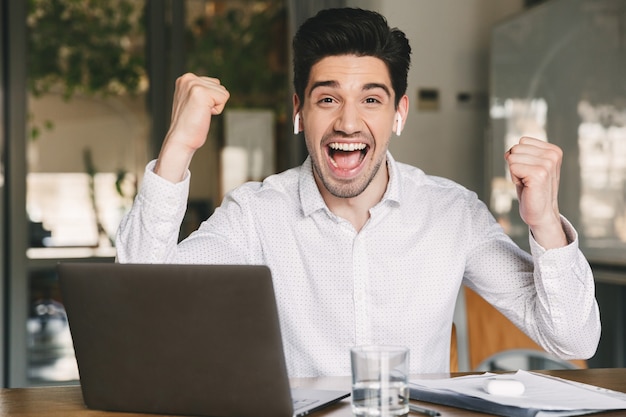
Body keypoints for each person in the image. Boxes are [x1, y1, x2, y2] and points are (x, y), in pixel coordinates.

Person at [116, 7, 600, 377]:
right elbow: (139, 313)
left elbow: (574, 340)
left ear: (399, 114)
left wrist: (545, 223)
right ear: (300, 112)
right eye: (328, 99)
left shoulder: (452, 213)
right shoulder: (256, 213)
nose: (348, 122)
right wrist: (177, 149)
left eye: (371, 99)